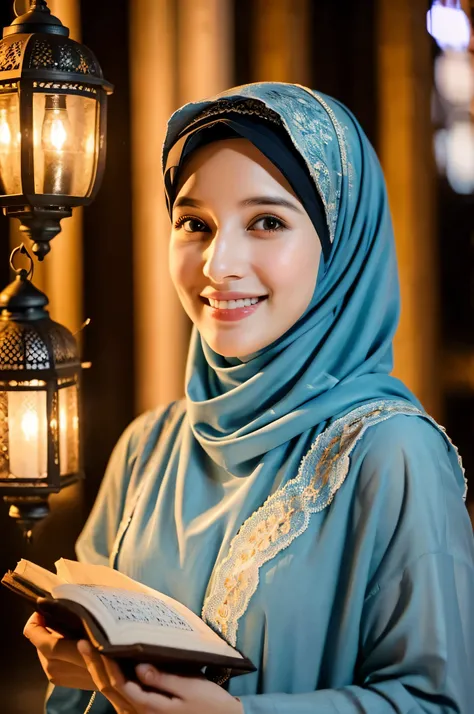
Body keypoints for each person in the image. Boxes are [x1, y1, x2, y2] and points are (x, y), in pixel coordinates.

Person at [24, 82, 474, 714]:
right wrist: (80, 667)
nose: (219, 263)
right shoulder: (149, 446)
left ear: (342, 244)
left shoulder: (393, 454)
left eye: (267, 222)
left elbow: (440, 704)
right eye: (194, 223)